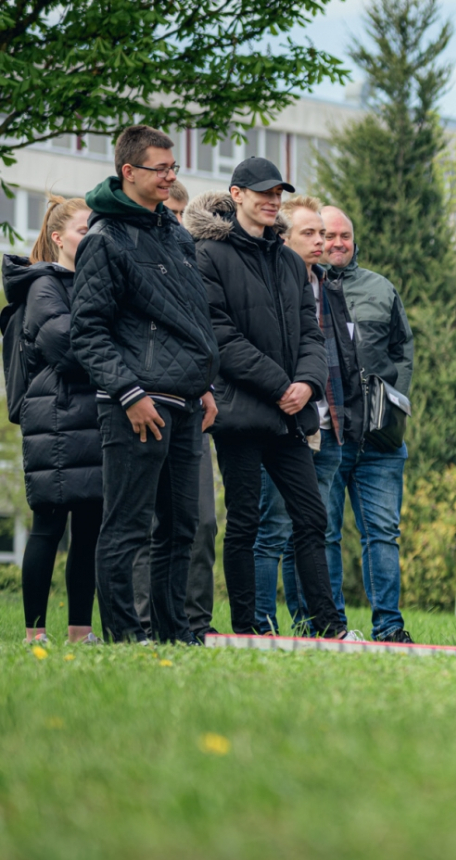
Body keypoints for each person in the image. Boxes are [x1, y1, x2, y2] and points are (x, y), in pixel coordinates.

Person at [186, 157, 352, 640]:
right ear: (236, 194)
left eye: (278, 193)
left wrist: (306, 384)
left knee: (312, 517)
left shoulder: (286, 258)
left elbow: (310, 333)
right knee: (244, 523)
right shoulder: (209, 254)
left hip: (291, 416)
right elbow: (219, 335)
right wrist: (282, 385)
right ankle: (246, 629)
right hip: (241, 413)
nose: (272, 201)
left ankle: (329, 627)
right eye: (262, 192)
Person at [70, 125, 219, 644]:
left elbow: (190, 318)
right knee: (127, 526)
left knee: (182, 529)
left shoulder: (175, 233)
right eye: (161, 168)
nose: (171, 177)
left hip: (184, 401)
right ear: (128, 171)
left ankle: (176, 636)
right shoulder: (103, 240)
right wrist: (129, 394)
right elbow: (87, 333)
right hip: (137, 402)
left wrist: (204, 385)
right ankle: (124, 639)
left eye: (173, 168)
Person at [252, 196, 362, 636]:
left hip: (328, 423)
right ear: (284, 237)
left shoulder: (328, 283)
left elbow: (341, 357)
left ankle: (315, 624)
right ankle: (260, 623)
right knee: (273, 528)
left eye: (324, 233)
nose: (322, 242)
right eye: (310, 233)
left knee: (313, 529)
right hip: (282, 421)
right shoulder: (270, 281)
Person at [3, 196, 102, 644]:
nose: (93, 238)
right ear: (59, 238)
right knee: (48, 525)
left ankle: (80, 632)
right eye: (84, 230)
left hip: (92, 415)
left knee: (88, 531)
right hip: (57, 419)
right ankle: (34, 633)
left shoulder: (94, 282)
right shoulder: (44, 285)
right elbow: (68, 349)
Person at [320, 206, 416, 643]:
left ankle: (389, 628)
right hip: (328, 435)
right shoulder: (302, 284)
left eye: (345, 235)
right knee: (323, 533)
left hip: (379, 438)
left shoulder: (381, 288)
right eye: (328, 235)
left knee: (383, 535)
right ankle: (330, 625)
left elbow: (404, 349)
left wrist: (395, 401)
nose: (338, 243)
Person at [130, 178, 220, 641]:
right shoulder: (130, 254)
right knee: (145, 526)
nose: (178, 223)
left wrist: (206, 386)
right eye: (171, 212)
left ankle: (191, 624)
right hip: (144, 406)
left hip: (191, 408)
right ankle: (141, 626)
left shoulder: (192, 262)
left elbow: (202, 336)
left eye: (184, 215)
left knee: (198, 523)